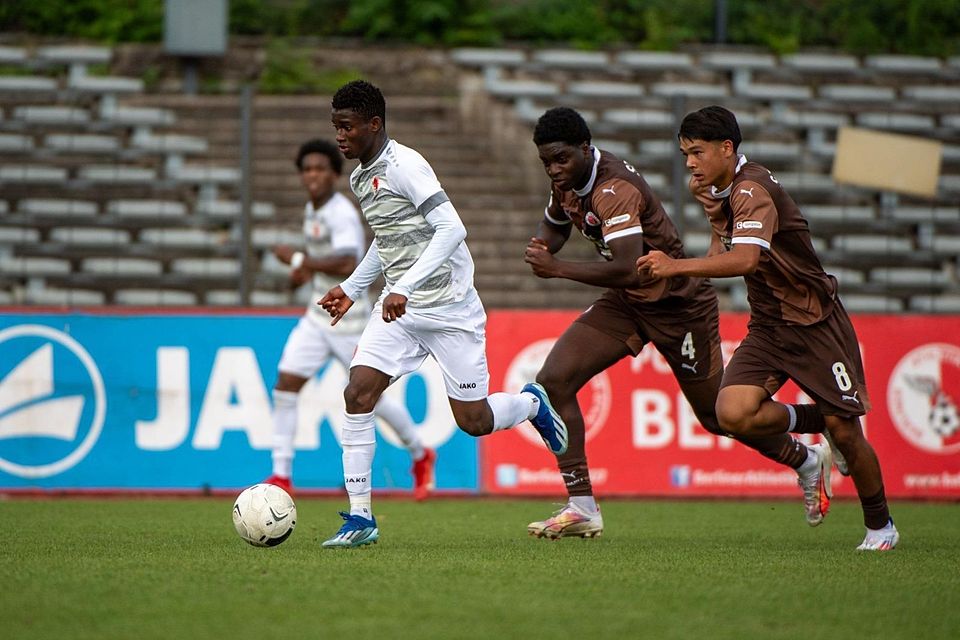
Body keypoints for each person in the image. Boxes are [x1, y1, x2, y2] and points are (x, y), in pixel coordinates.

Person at [523, 106, 837, 540]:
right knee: (553, 382)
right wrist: (542, 244)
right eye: (547, 163)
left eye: (561, 160)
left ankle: (811, 445)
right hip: (629, 303)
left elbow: (631, 266)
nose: (554, 170)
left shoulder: (614, 188)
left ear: (585, 149)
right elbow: (556, 224)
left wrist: (556, 268)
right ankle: (582, 506)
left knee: (716, 417)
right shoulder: (568, 179)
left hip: (679, 306)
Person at [317, 80, 568, 548]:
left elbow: (452, 228)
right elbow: (389, 239)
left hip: (450, 309)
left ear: (374, 124)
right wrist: (353, 287)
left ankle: (532, 404)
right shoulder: (358, 177)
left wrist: (406, 287)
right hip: (401, 310)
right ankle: (360, 518)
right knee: (358, 392)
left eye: (347, 127)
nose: (340, 136)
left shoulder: (406, 166)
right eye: (335, 127)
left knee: (472, 422)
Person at [637, 105, 898, 551]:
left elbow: (745, 258)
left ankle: (881, 526)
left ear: (726, 148)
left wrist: (673, 266)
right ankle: (822, 422)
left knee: (849, 434)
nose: (690, 164)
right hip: (770, 325)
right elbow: (722, 244)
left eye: (696, 153)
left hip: (815, 322)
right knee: (732, 413)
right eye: (684, 154)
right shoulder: (712, 189)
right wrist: (687, 277)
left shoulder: (752, 188)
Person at [264, 138, 435, 501]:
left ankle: (420, 453)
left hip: (349, 320)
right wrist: (305, 272)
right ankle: (281, 475)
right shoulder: (314, 209)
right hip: (316, 313)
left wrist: (298, 261)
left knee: (370, 397)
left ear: (335, 175)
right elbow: (324, 262)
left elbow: (348, 263)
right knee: (285, 384)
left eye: (320, 169)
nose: (313, 175)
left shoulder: (341, 212)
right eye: (307, 169)